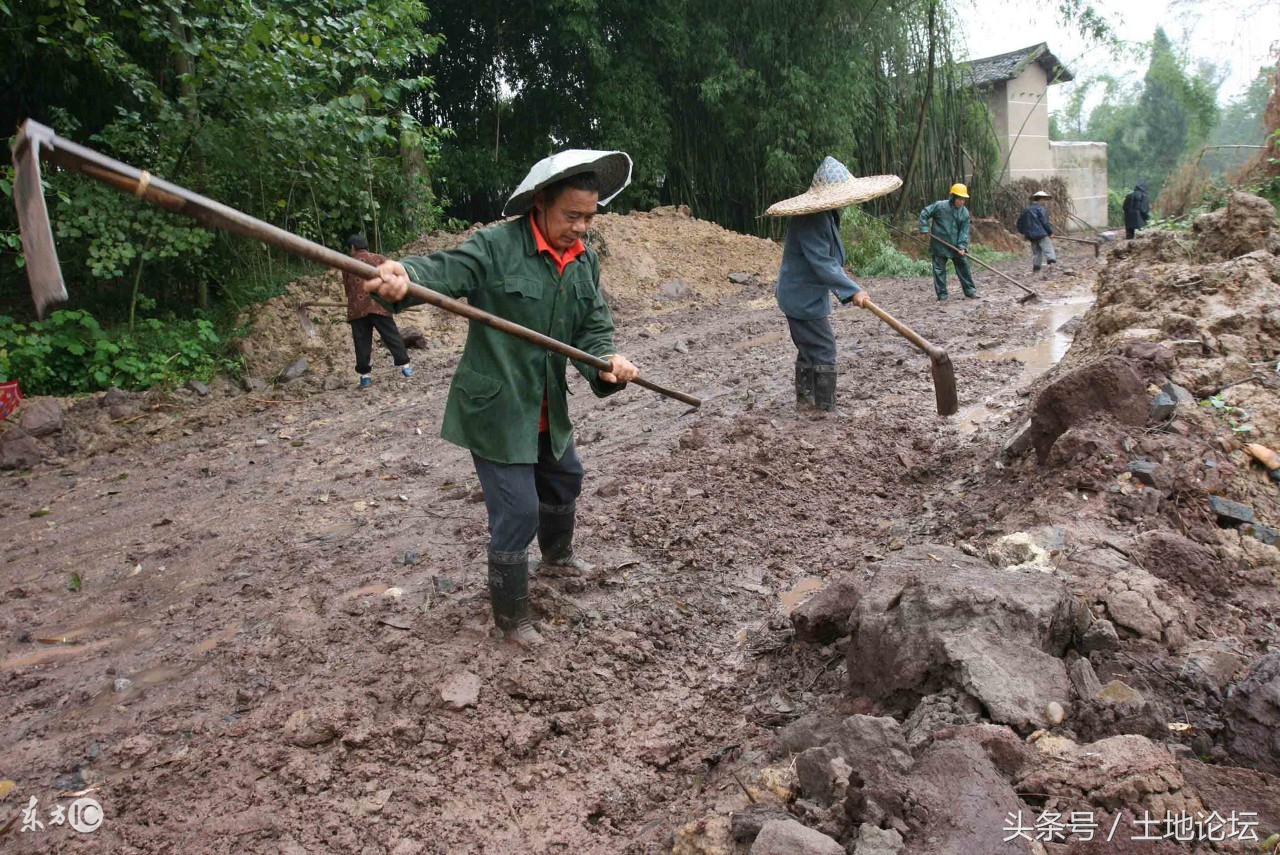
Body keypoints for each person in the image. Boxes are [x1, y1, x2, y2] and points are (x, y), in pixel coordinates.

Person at [362, 150, 640, 648]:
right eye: (570, 216)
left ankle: (558, 559)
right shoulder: (497, 246)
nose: (580, 228)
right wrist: (402, 276)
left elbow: (593, 328)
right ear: (540, 204)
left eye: (589, 218)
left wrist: (609, 363)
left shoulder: (584, 262)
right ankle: (512, 619)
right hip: (496, 408)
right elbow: (442, 271)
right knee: (517, 513)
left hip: (547, 406)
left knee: (567, 479)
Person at [764, 157, 899, 415]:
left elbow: (830, 261)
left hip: (808, 294)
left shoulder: (826, 214)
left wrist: (848, 285)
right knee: (824, 348)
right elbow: (823, 263)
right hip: (801, 297)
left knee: (808, 348)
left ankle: (805, 401)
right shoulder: (810, 219)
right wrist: (852, 290)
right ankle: (825, 407)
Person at [342, 234, 413, 388]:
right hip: (379, 304)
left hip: (357, 308)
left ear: (352, 248)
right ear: (366, 246)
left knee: (361, 342)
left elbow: (347, 289)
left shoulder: (347, 263)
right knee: (391, 335)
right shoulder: (380, 259)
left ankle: (365, 376)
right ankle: (406, 367)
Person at [919, 184, 976, 301]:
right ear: (953, 197)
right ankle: (942, 295)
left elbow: (964, 232)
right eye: (960, 199)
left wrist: (962, 247)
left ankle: (970, 291)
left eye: (963, 199)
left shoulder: (964, 213)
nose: (962, 202)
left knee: (963, 266)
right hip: (939, 244)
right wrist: (924, 228)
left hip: (955, 246)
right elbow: (925, 213)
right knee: (939, 270)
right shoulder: (940, 206)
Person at [1016, 190, 1057, 273]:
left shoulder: (1026, 210)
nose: (1045, 202)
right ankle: (1051, 264)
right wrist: (1050, 232)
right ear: (1041, 199)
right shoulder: (1041, 209)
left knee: (1037, 252)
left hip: (1031, 235)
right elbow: (1044, 222)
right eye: (1044, 199)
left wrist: (1024, 232)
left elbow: (1019, 222)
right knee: (1048, 248)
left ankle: (1036, 268)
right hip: (1041, 233)